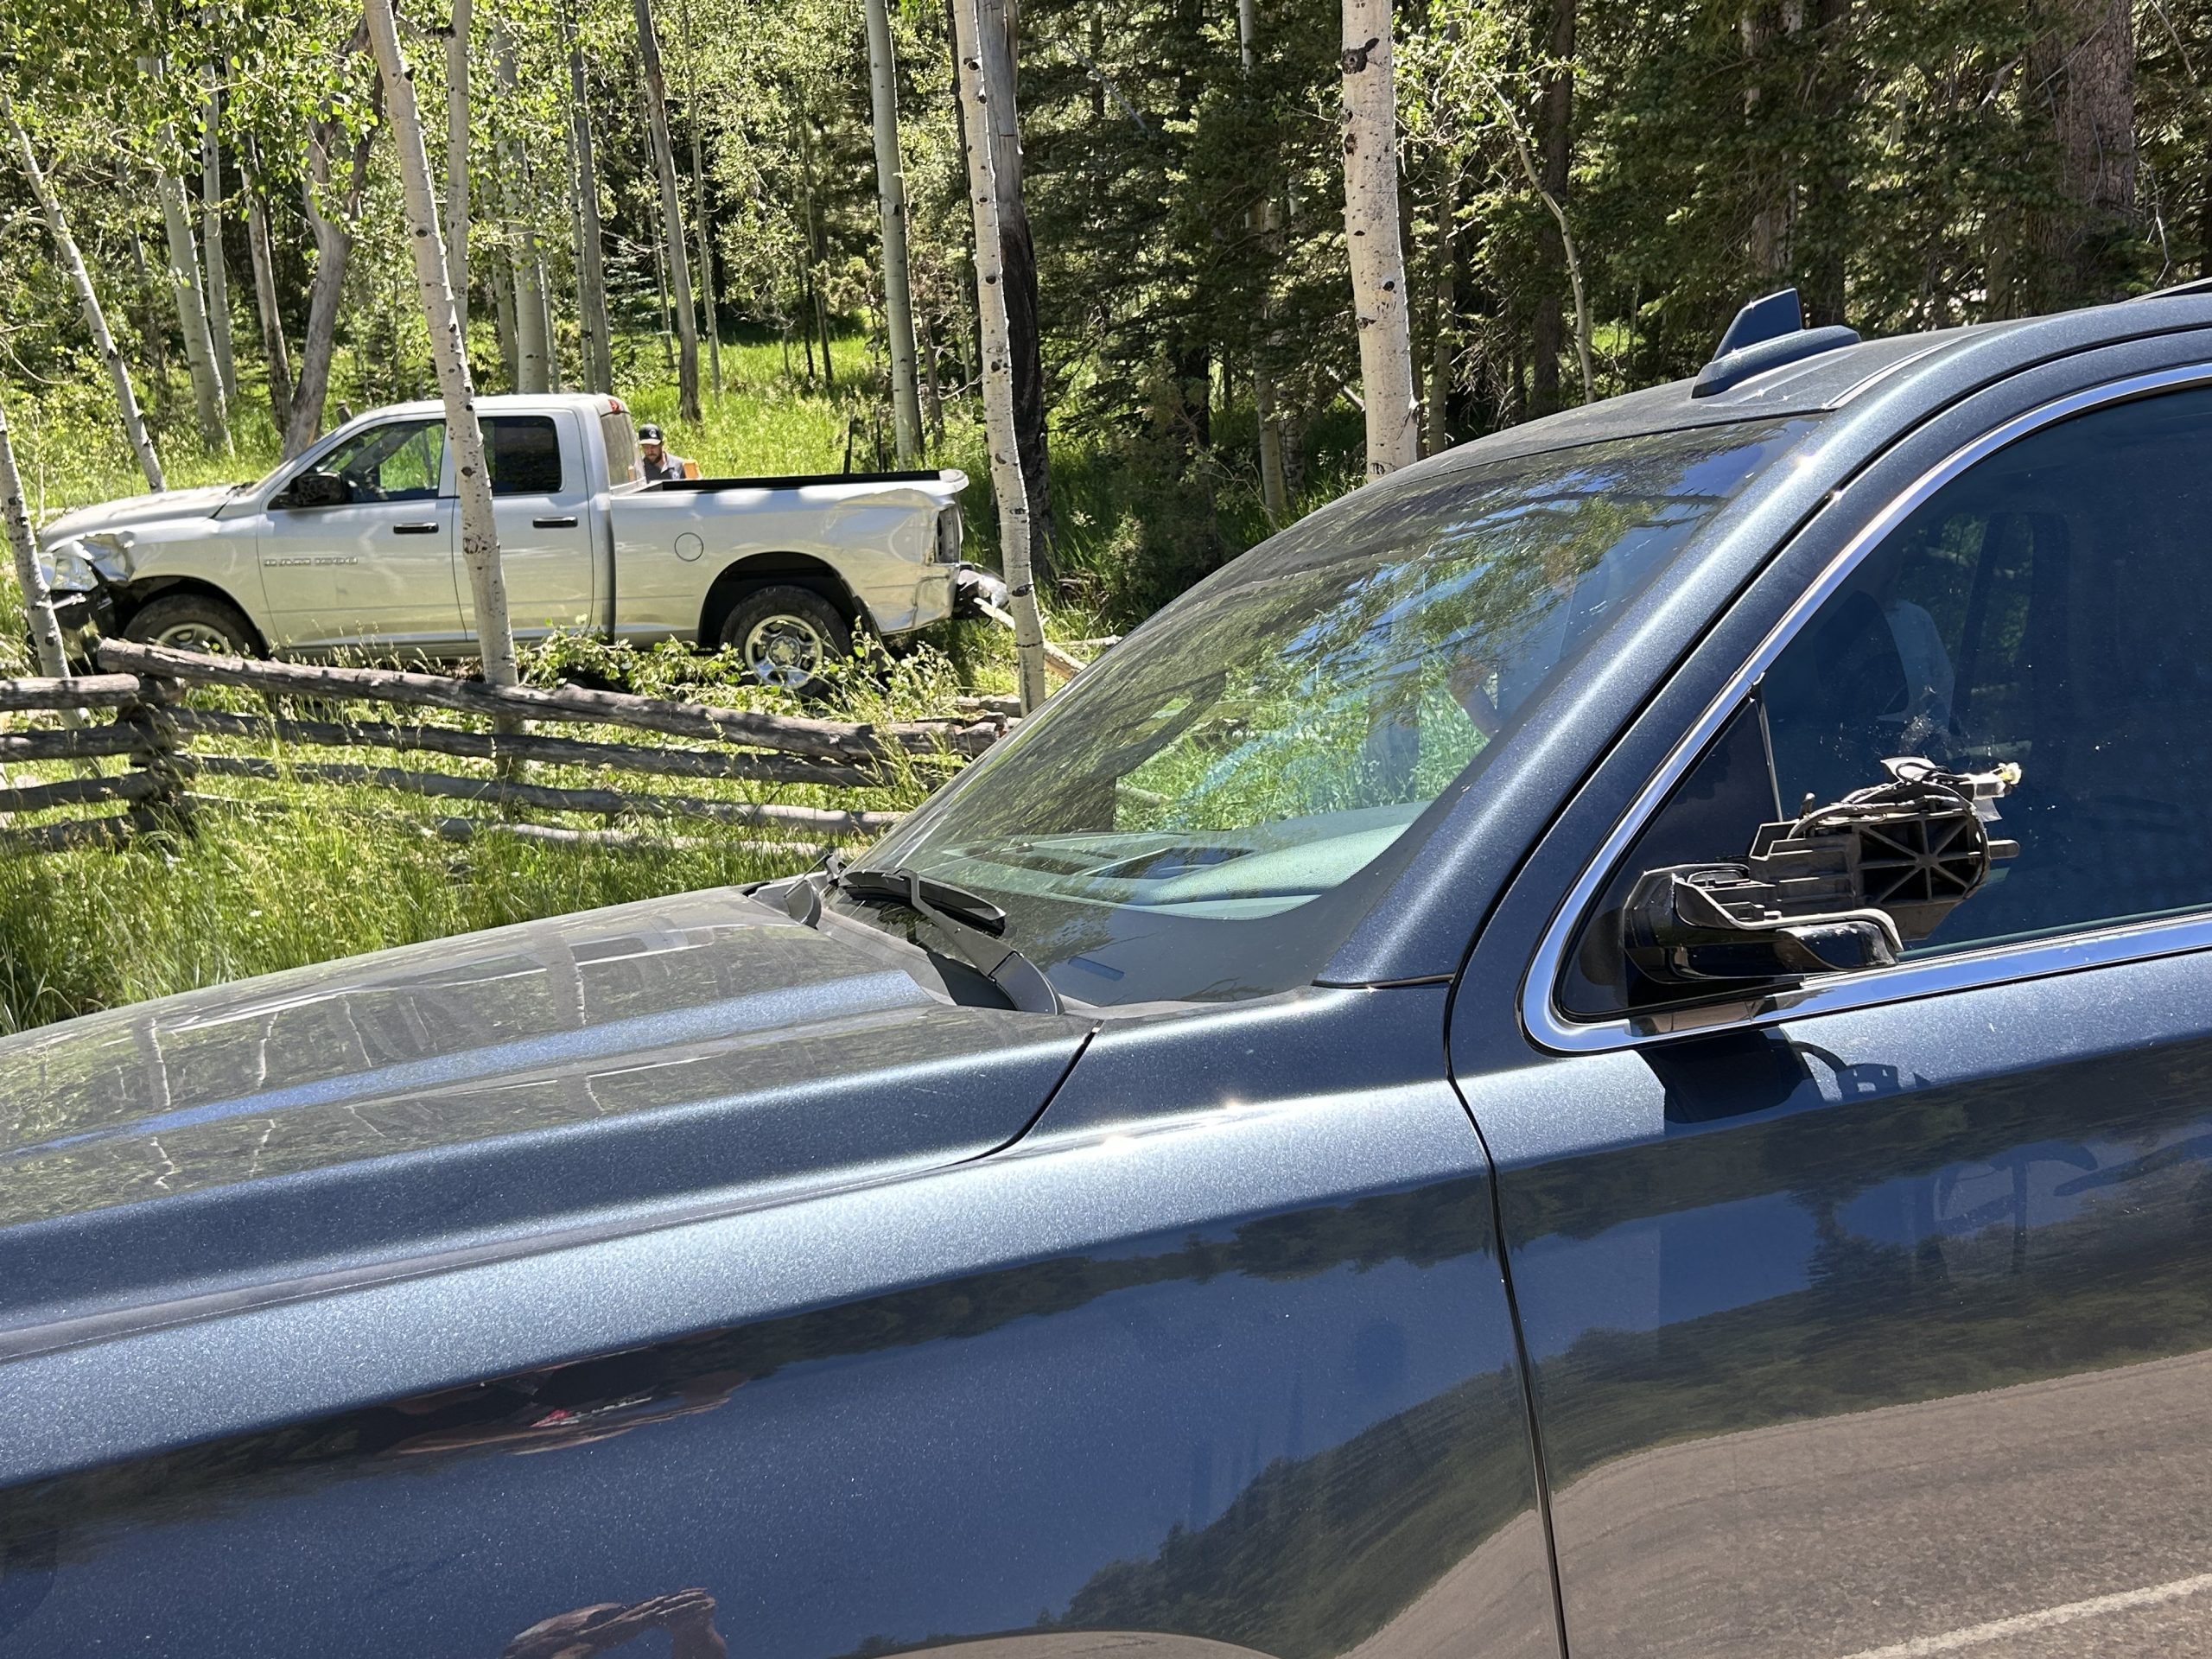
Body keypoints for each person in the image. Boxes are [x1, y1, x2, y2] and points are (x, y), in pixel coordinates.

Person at [633, 424, 697, 483]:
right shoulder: (639, 470)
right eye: (646, 447)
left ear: (662, 444)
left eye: (653, 446)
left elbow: (697, 490)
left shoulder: (680, 465)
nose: (650, 451)